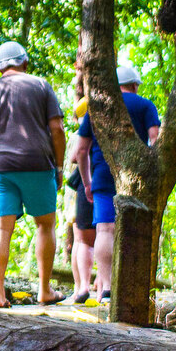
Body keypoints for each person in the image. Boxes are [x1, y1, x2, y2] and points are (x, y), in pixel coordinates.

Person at [0, 41, 66, 308]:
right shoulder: (41, 85)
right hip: (37, 163)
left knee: (1, 228)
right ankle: (45, 291)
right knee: (45, 225)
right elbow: (57, 129)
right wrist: (59, 167)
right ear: (25, 62)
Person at [76, 63, 160, 302]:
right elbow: (155, 138)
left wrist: (87, 181)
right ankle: (133, 287)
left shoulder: (97, 108)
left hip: (103, 174)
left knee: (105, 229)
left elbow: (81, 150)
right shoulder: (145, 105)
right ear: (134, 85)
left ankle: (107, 287)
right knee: (134, 229)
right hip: (136, 175)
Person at [64, 97, 95, 304]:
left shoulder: (76, 135)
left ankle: (79, 286)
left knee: (80, 240)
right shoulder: (81, 136)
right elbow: (76, 157)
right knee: (82, 239)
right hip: (81, 190)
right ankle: (80, 286)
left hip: (75, 191)